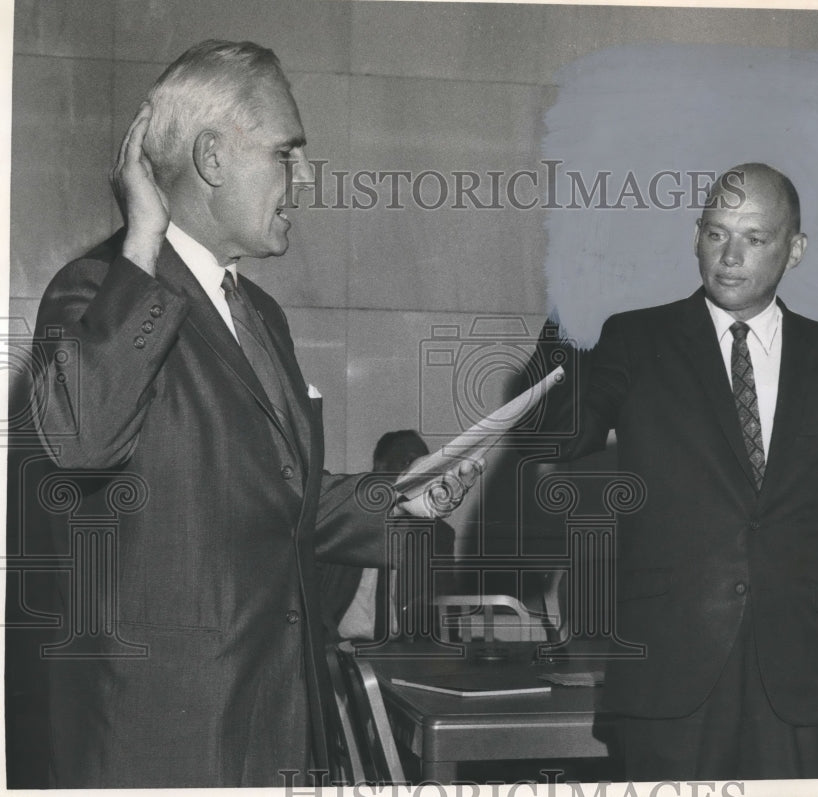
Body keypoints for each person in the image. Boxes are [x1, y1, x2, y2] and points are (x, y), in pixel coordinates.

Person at [29, 40, 478, 788]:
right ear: (212, 158)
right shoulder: (97, 289)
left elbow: (277, 496)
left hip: (277, 721)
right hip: (165, 742)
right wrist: (142, 241)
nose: (306, 176)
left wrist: (401, 498)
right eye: (285, 153)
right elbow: (81, 442)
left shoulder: (260, 313)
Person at [529, 163, 818, 779]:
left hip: (798, 673)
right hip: (669, 668)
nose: (730, 256)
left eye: (755, 237)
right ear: (695, 236)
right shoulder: (633, 338)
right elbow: (556, 436)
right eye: (716, 233)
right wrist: (567, 318)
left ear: (795, 249)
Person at [318, 429, 457, 641]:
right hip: (340, 648)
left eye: (425, 467)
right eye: (408, 463)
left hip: (405, 648)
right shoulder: (340, 524)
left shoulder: (438, 534)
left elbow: (444, 612)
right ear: (379, 467)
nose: (418, 474)